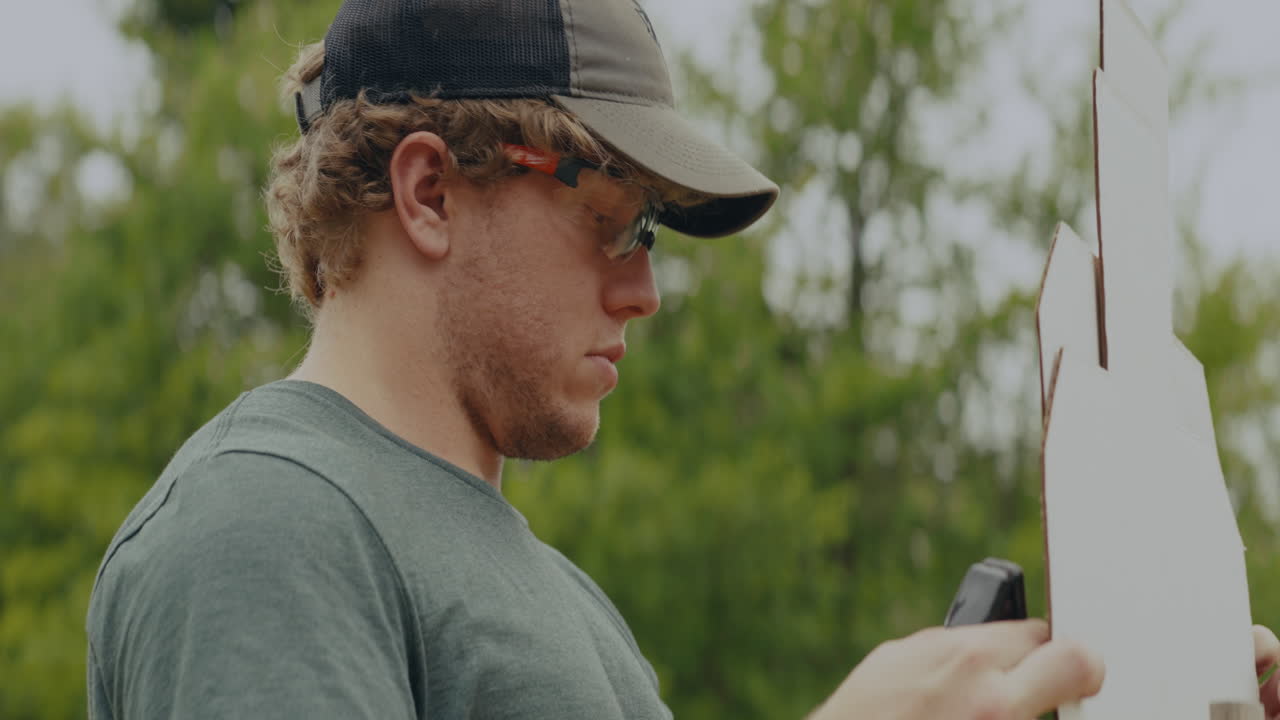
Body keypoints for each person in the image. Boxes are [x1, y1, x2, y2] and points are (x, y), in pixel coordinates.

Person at [85, 0, 1280, 718]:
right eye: (612, 221)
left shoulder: (562, 604)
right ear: (432, 190)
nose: (644, 289)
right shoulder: (264, 529)